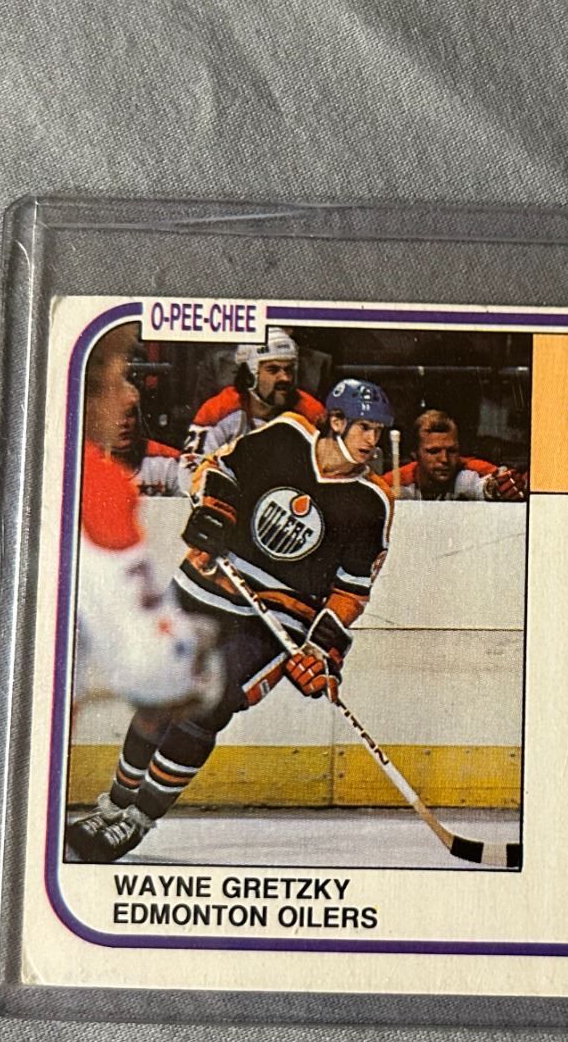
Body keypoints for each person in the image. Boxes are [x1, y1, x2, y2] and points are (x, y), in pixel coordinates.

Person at [66, 377, 396, 862]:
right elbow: (218, 469)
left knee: (208, 703)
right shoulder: (285, 435)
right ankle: (114, 805)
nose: (372, 440)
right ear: (337, 421)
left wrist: (320, 650)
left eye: (379, 431)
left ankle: (138, 819)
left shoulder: (373, 502)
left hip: (275, 622)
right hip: (209, 582)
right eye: (365, 427)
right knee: (161, 690)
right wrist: (215, 511)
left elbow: (351, 590)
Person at [74, 327, 218, 713]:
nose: (132, 396)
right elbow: (152, 667)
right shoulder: (96, 481)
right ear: (82, 392)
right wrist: (192, 655)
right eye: (120, 379)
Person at [181, 328, 325, 477]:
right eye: (273, 370)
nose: (285, 378)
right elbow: (190, 471)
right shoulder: (219, 410)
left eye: (288, 370)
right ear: (249, 376)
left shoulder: (312, 413)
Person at [385, 409, 527, 501]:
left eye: (452, 451)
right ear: (415, 454)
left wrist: (496, 489)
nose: (444, 459)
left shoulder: (472, 470)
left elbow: (489, 484)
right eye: (433, 451)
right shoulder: (394, 481)